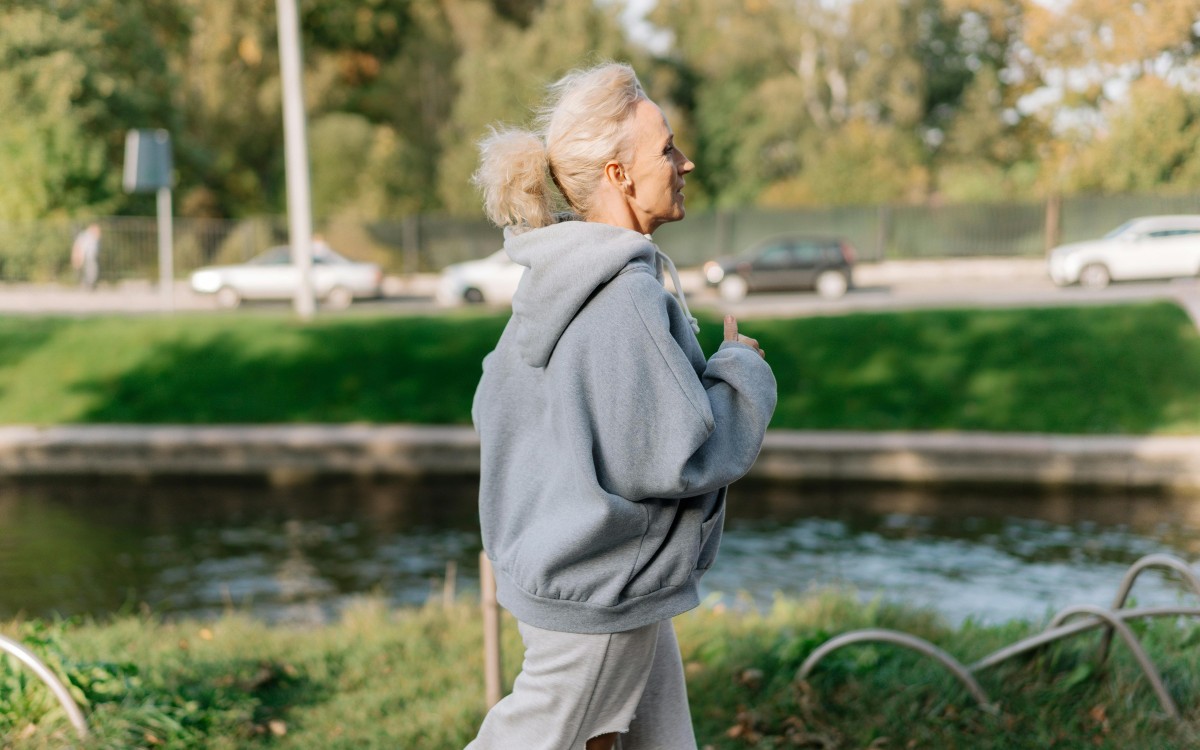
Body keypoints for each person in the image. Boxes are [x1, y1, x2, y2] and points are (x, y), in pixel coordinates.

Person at [467, 62, 777, 750]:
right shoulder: (624, 296)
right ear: (619, 175)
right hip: (601, 588)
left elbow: (494, 405)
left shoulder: (556, 278)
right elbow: (673, 457)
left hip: (587, 577)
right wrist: (743, 375)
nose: (684, 160)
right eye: (666, 148)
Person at [70, 223, 101, 290]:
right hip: (87, 256)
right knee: (90, 270)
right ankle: (88, 284)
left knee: (90, 270)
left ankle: (88, 284)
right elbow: (79, 246)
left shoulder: (91, 235)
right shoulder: (86, 236)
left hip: (90, 256)